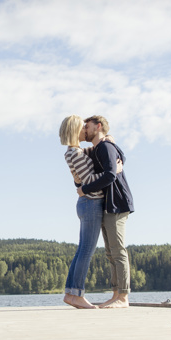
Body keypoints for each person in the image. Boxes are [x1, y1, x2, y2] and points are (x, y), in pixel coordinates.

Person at [59, 115, 120, 309]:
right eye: (82, 127)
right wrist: (115, 170)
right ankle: (76, 295)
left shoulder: (74, 151)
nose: (85, 130)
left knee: (82, 250)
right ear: (75, 130)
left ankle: (71, 294)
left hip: (86, 204)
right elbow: (89, 180)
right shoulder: (75, 154)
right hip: (91, 203)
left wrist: (106, 140)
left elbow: (89, 151)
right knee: (86, 251)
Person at [78, 115, 134, 309]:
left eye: (87, 126)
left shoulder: (105, 146)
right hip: (108, 204)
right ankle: (116, 295)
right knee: (110, 253)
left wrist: (85, 189)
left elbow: (110, 173)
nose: (84, 129)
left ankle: (123, 298)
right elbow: (119, 160)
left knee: (118, 251)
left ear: (98, 126)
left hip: (117, 203)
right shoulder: (99, 147)